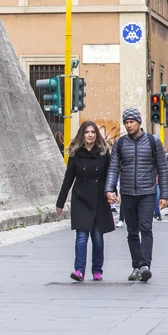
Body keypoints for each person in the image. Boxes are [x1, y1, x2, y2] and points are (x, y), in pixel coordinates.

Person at [105, 108, 168, 282]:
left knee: (146, 228)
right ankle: (136, 266)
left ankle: (145, 265)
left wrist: (165, 194)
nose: (129, 125)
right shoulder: (120, 143)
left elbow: (162, 169)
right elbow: (113, 168)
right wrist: (109, 189)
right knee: (132, 231)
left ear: (139, 122)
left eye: (132, 121)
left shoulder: (152, 141)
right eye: (126, 122)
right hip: (127, 193)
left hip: (147, 192)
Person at [56, 121, 115, 282]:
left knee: (97, 237)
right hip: (81, 198)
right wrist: (60, 203)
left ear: (96, 135)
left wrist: (112, 193)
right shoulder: (75, 154)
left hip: (99, 199)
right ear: (82, 135)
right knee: (81, 236)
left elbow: (110, 176)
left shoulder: (103, 154)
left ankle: (97, 270)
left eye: (93, 132)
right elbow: (68, 179)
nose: (90, 135)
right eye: (87, 132)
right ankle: (79, 270)